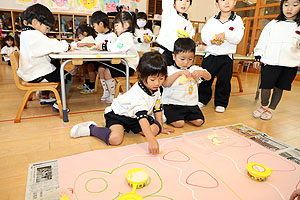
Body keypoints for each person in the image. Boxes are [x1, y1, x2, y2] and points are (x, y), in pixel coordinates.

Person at [70, 51, 175, 154]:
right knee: (115, 139)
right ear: (142, 76)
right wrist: (151, 141)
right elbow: (142, 118)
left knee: (154, 129)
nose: (157, 83)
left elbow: (157, 107)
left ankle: (130, 129)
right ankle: (91, 128)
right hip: (119, 115)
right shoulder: (137, 95)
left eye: (161, 79)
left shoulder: (156, 89)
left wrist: (161, 126)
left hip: (134, 118)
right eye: (152, 79)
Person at [18, 3, 73, 111]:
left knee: (55, 64)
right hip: (35, 74)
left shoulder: (26, 33)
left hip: (30, 71)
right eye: (46, 28)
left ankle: (45, 96)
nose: (46, 31)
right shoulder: (34, 35)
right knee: (67, 76)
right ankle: (60, 105)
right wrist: (67, 45)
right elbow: (54, 45)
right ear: (35, 22)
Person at [252, 0, 300, 120]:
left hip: (289, 64)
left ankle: (271, 108)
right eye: (286, 5)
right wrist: (258, 57)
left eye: (294, 5)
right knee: (265, 86)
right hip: (270, 62)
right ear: (281, 5)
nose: (289, 9)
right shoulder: (273, 24)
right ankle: (263, 106)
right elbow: (262, 41)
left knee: (280, 88)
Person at [198, 0, 244, 113]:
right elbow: (204, 35)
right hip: (210, 56)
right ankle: (202, 99)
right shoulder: (212, 20)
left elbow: (237, 38)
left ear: (235, 2)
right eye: (223, 0)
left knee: (224, 82)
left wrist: (226, 35)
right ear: (217, 4)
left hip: (226, 57)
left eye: (230, 0)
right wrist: (211, 40)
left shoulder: (237, 20)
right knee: (205, 80)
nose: (226, 2)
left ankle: (221, 103)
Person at [162, 38, 211, 128]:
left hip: (191, 105)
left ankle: (185, 116)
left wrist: (202, 73)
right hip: (172, 104)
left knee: (199, 121)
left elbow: (209, 77)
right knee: (179, 124)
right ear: (174, 56)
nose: (186, 62)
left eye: (190, 59)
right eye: (182, 59)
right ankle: (169, 115)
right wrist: (179, 73)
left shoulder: (194, 69)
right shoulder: (169, 69)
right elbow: (165, 83)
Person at [96, 11, 139, 103]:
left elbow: (118, 47)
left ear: (126, 25)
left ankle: (114, 95)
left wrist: (105, 46)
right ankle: (107, 92)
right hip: (123, 63)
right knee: (101, 68)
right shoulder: (123, 36)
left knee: (107, 71)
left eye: (117, 26)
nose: (115, 28)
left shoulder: (127, 36)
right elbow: (116, 45)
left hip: (129, 67)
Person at [77, 11, 118, 95]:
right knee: (90, 65)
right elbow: (95, 45)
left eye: (94, 26)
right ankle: (106, 91)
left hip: (109, 61)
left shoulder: (113, 36)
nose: (94, 28)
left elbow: (113, 50)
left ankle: (109, 92)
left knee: (95, 67)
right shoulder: (99, 36)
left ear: (101, 24)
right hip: (100, 59)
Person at [156, 0, 195, 66]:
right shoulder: (170, 13)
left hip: (179, 55)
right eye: (180, 0)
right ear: (173, 3)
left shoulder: (187, 21)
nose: (184, 3)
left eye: (187, 1)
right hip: (166, 53)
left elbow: (190, 37)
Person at [70, 24, 98, 94]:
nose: (79, 37)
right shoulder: (86, 39)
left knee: (90, 68)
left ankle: (92, 86)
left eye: (79, 35)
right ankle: (87, 83)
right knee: (84, 67)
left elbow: (94, 44)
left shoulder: (89, 38)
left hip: (93, 59)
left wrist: (82, 43)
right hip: (87, 58)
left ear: (85, 33)